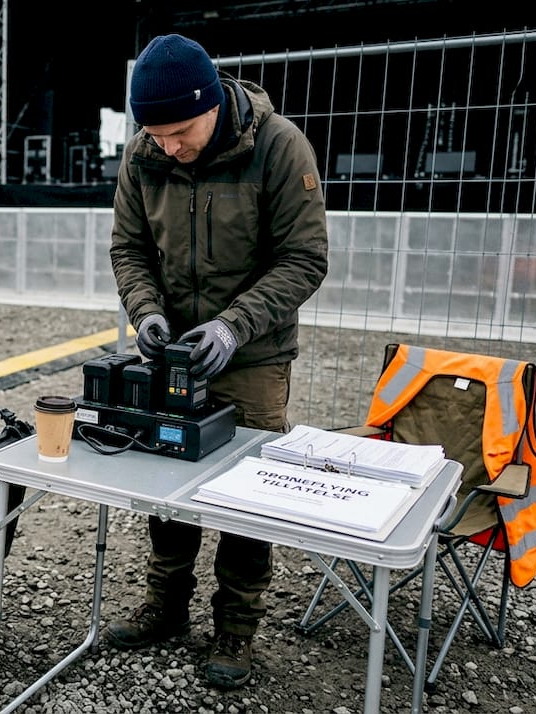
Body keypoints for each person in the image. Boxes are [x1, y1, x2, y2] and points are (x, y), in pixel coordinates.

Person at [105, 34, 329, 689]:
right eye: (155, 134)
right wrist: (146, 311)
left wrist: (235, 326)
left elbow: (305, 258)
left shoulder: (279, 146)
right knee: (165, 473)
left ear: (211, 105)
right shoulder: (144, 153)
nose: (167, 146)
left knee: (248, 493)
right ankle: (166, 605)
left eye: (179, 132)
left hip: (253, 356)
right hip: (173, 349)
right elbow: (129, 248)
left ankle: (237, 625)